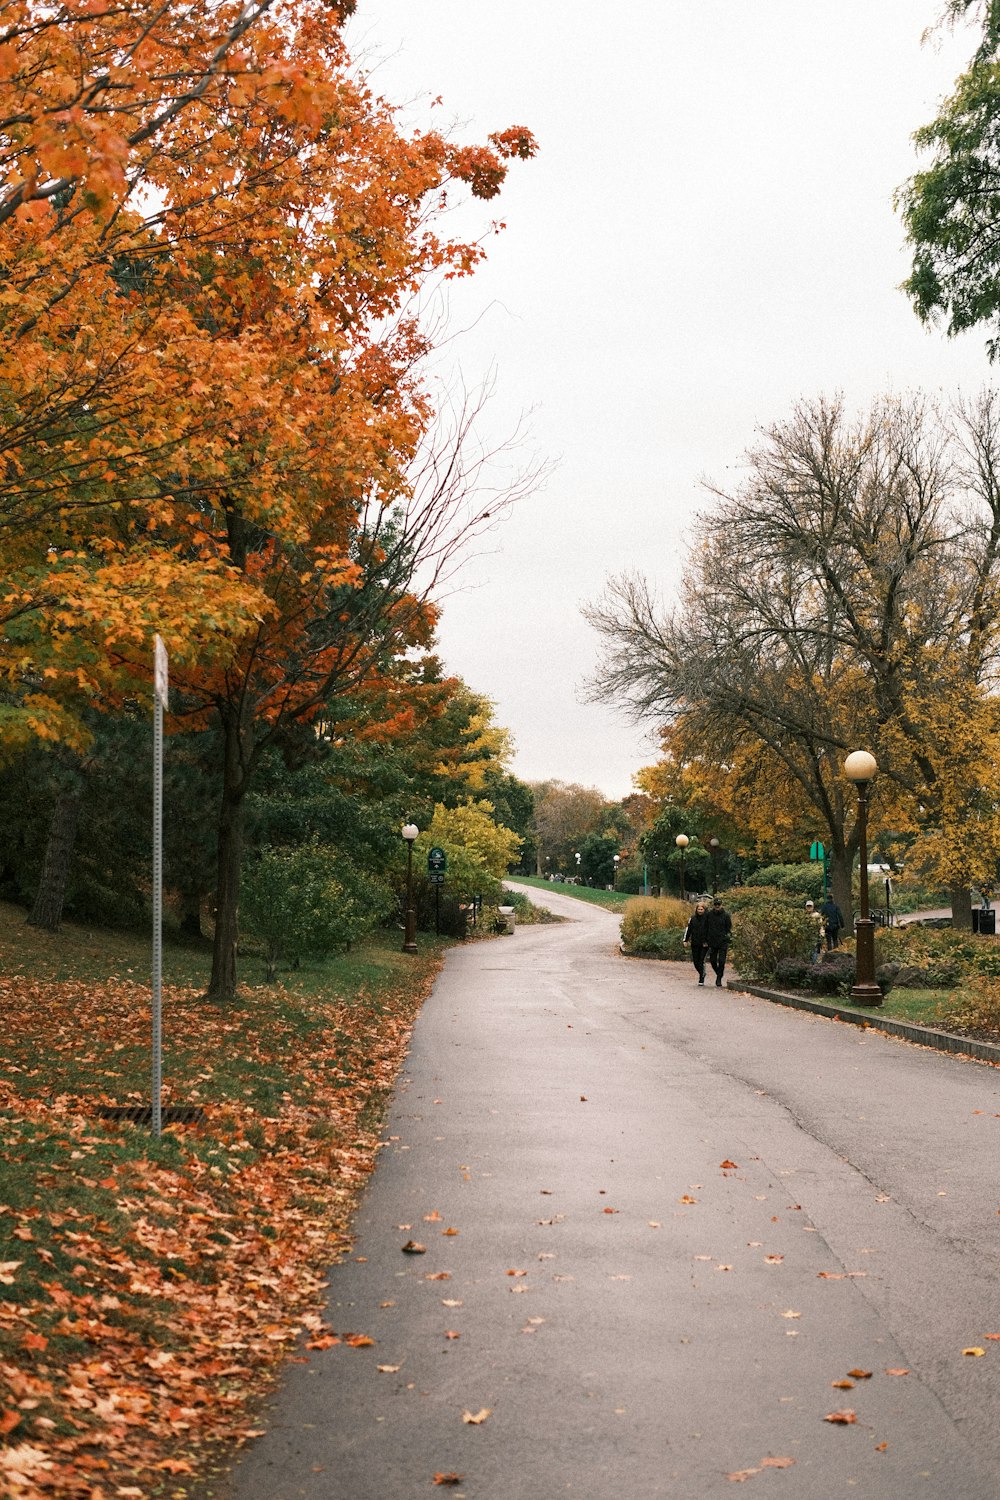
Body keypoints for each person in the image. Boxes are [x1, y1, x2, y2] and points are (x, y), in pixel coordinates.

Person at [704, 896, 732, 987]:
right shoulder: (709, 914)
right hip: (712, 940)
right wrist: (706, 939)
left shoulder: (726, 915)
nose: (717, 906)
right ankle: (719, 973)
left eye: (718, 904)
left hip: (723, 941)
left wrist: (728, 938)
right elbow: (706, 927)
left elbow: (729, 928)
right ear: (713, 905)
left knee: (722, 960)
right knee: (712, 960)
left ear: (721, 905)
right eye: (715, 904)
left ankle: (719, 978)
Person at [683, 901, 710, 984]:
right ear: (696, 909)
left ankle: (701, 978)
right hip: (695, 942)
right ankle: (702, 973)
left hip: (704, 943)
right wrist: (685, 940)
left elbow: (711, 931)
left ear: (704, 910)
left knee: (701, 960)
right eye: (699, 909)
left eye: (702, 909)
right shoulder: (693, 918)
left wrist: (709, 941)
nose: (700, 911)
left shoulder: (708, 919)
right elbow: (689, 930)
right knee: (695, 962)